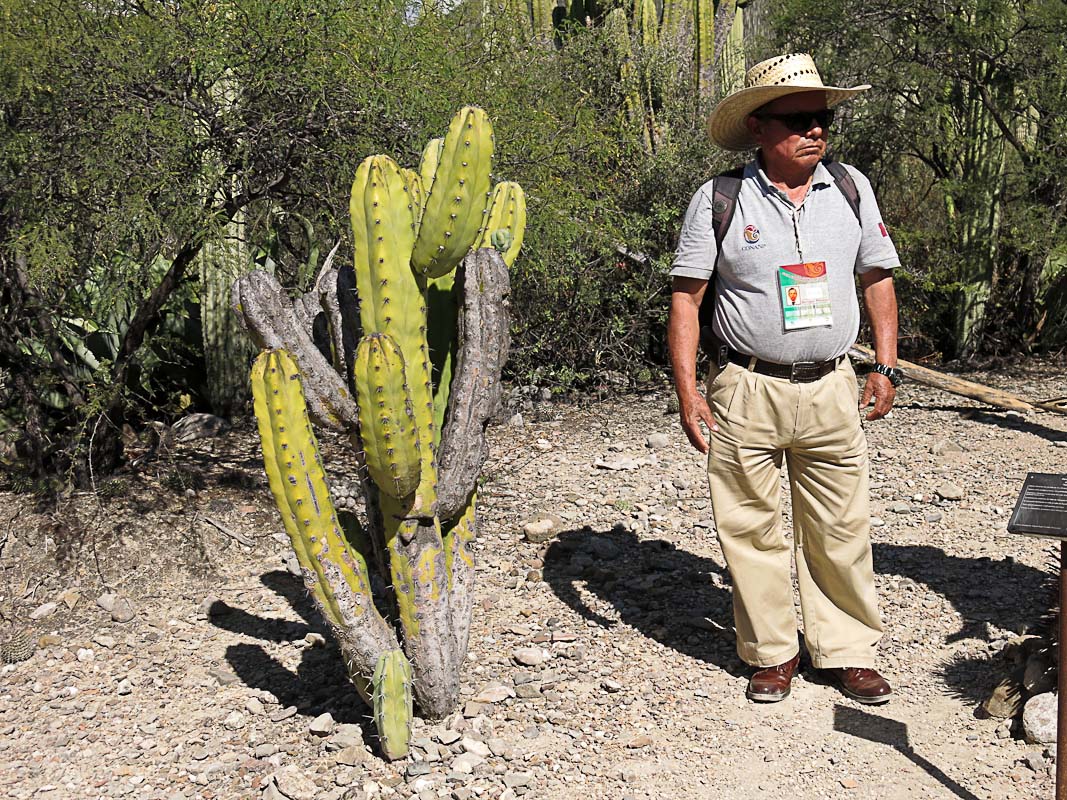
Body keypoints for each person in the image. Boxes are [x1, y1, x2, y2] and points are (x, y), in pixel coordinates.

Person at [668, 53, 903, 704]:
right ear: (759, 127)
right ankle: (772, 653)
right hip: (745, 386)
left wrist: (882, 364)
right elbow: (686, 298)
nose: (815, 131)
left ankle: (847, 650)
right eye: (797, 119)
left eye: (821, 118)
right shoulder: (719, 199)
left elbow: (876, 276)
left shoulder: (850, 188)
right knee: (748, 526)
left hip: (832, 383)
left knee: (840, 525)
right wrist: (688, 391)